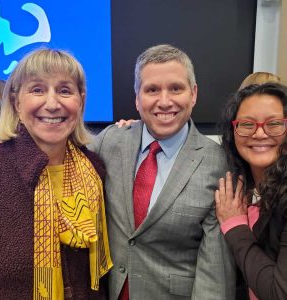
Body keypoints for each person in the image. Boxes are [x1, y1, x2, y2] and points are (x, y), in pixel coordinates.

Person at [88, 44, 235, 299]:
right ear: (137, 98)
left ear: (194, 94)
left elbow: (215, 272)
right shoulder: (110, 141)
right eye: (152, 90)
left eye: (176, 88)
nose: (164, 101)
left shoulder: (219, 164)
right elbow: (63, 160)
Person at [0, 48, 112, 299]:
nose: (53, 104)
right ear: (16, 102)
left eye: (65, 90)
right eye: (37, 89)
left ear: (81, 101)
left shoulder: (96, 168)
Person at [215, 83, 287, 300]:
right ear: (232, 131)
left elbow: (279, 293)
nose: (259, 133)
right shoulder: (240, 181)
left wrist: (235, 225)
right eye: (247, 124)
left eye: (274, 123)